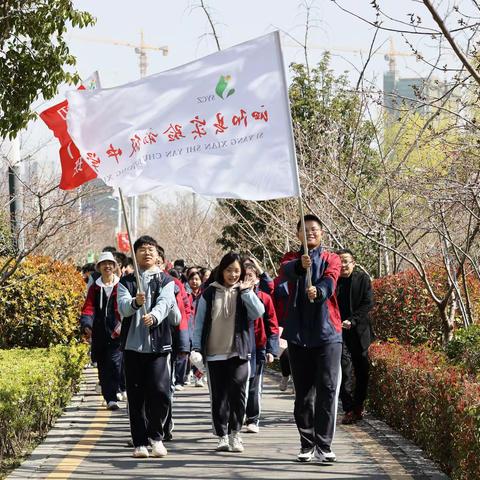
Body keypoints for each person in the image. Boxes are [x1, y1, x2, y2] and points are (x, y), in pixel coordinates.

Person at [280, 214, 342, 464]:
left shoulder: (331, 257)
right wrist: (299, 266)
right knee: (304, 393)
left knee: (327, 389)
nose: (310, 233)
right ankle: (307, 443)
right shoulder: (291, 258)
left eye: (315, 229)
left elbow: (331, 279)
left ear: (322, 233)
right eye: (305, 230)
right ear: (298, 235)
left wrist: (320, 291)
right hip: (298, 334)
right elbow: (285, 272)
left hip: (328, 333)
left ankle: (324, 445)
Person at [192, 252, 265, 453]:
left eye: (236, 271)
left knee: (239, 395)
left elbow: (259, 312)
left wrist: (247, 292)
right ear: (221, 271)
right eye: (229, 270)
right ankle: (222, 435)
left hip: (239, 352)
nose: (232, 274)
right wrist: (196, 348)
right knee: (219, 397)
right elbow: (198, 323)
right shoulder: (209, 293)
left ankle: (236, 434)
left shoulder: (245, 292)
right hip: (215, 354)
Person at [117, 235, 180, 459]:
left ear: (157, 254)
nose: (147, 252)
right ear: (135, 255)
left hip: (159, 347)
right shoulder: (127, 282)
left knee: (161, 393)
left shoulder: (166, 281)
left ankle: (157, 437)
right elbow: (123, 308)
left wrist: (153, 315)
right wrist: (136, 303)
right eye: (142, 249)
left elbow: (165, 303)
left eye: (151, 249)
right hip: (133, 347)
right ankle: (140, 442)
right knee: (136, 396)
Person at [80, 252, 123, 410]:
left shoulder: (121, 285)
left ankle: (116, 388)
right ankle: (110, 397)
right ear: (99, 267)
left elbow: (125, 308)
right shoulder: (95, 288)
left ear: (114, 267)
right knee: (103, 367)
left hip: (117, 333)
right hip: (99, 334)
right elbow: (88, 308)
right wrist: (87, 324)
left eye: (110, 263)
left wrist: (121, 324)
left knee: (115, 364)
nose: (107, 266)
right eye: (104, 264)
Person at [335, 249, 374, 425]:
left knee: (362, 370)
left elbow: (368, 303)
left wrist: (353, 320)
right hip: (338, 332)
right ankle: (349, 408)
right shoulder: (332, 281)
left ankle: (358, 406)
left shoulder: (362, 279)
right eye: (339, 261)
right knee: (344, 369)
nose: (343, 265)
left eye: (346, 261)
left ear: (353, 263)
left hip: (359, 332)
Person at [243, 262, 279, 433]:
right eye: (244, 275)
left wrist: (272, 350)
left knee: (254, 384)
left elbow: (272, 325)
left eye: (250, 275)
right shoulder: (234, 295)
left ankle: (253, 418)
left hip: (258, 346)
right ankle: (238, 414)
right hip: (238, 346)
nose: (247, 278)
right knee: (239, 383)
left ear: (257, 279)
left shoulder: (265, 298)